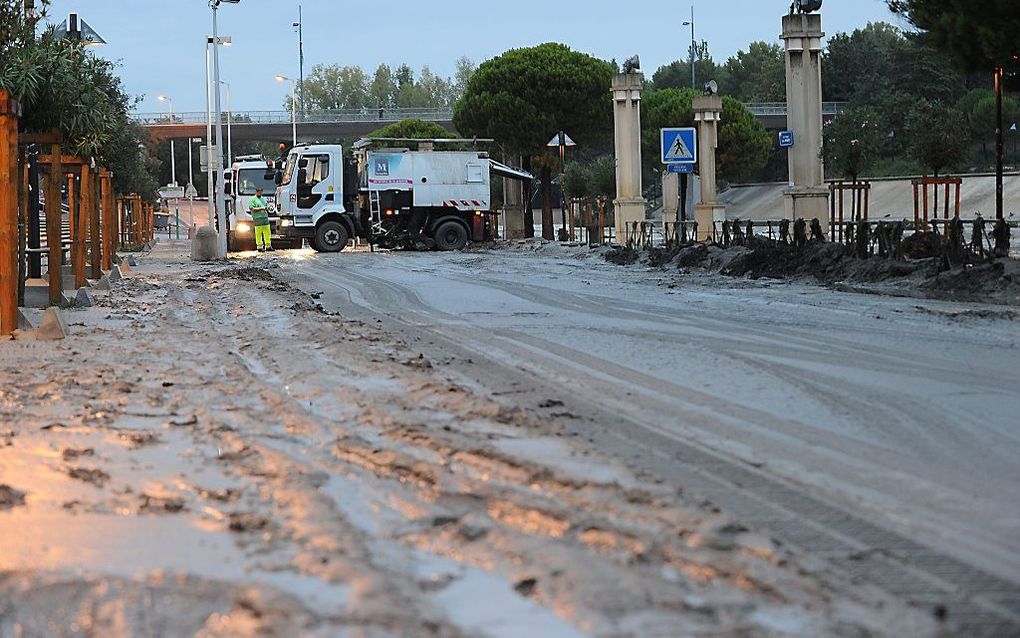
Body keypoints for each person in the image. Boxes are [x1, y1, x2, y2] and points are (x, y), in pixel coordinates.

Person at [249, 187, 272, 252]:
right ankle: (259, 247)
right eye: (260, 192)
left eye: (261, 192)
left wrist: (267, 209)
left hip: (265, 218)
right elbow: (252, 208)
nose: (261, 193)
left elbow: (266, 206)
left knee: (267, 232)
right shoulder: (252, 199)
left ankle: (268, 246)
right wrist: (261, 208)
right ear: (257, 192)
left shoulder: (263, 199)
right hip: (258, 218)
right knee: (258, 233)